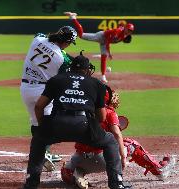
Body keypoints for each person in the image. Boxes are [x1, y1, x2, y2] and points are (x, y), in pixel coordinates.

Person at [23, 52, 132, 189]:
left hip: (57, 123)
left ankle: (31, 183)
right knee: (110, 141)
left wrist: (43, 126)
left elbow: (39, 106)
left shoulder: (56, 79)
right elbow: (102, 117)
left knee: (38, 140)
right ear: (87, 70)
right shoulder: (96, 84)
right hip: (84, 125)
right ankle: (117, 183)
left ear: (71, 67)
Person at [61, 86, 174, 189]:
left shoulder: (81, 110)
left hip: (79, 158)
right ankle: (159, 170)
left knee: (70, 164)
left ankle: (72, 171)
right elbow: (116, 134)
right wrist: (123, 158)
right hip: (100, 160)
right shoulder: (109, 112)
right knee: (131, 144)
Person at [20, 26, 77, 171]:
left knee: (36, 122)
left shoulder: (38, 39)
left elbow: (41, 35)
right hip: (42, 92)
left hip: (25, 89)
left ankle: (43, 152)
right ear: (67, 42)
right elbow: (67, 68)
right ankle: (42, 153)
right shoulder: (61, 59)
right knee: (48, 124)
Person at [65, 11, 134, 83]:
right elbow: (108, 42)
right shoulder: (117, 32)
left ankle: (103, 76)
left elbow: (121, 25)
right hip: (101, 36)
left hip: (105, 41)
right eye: (128, 29)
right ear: (126, 28)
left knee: (104, 57)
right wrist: (109, 53)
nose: (129, 31)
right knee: (81, 35)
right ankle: (73, 17)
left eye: (131, 31)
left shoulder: (124, 34)